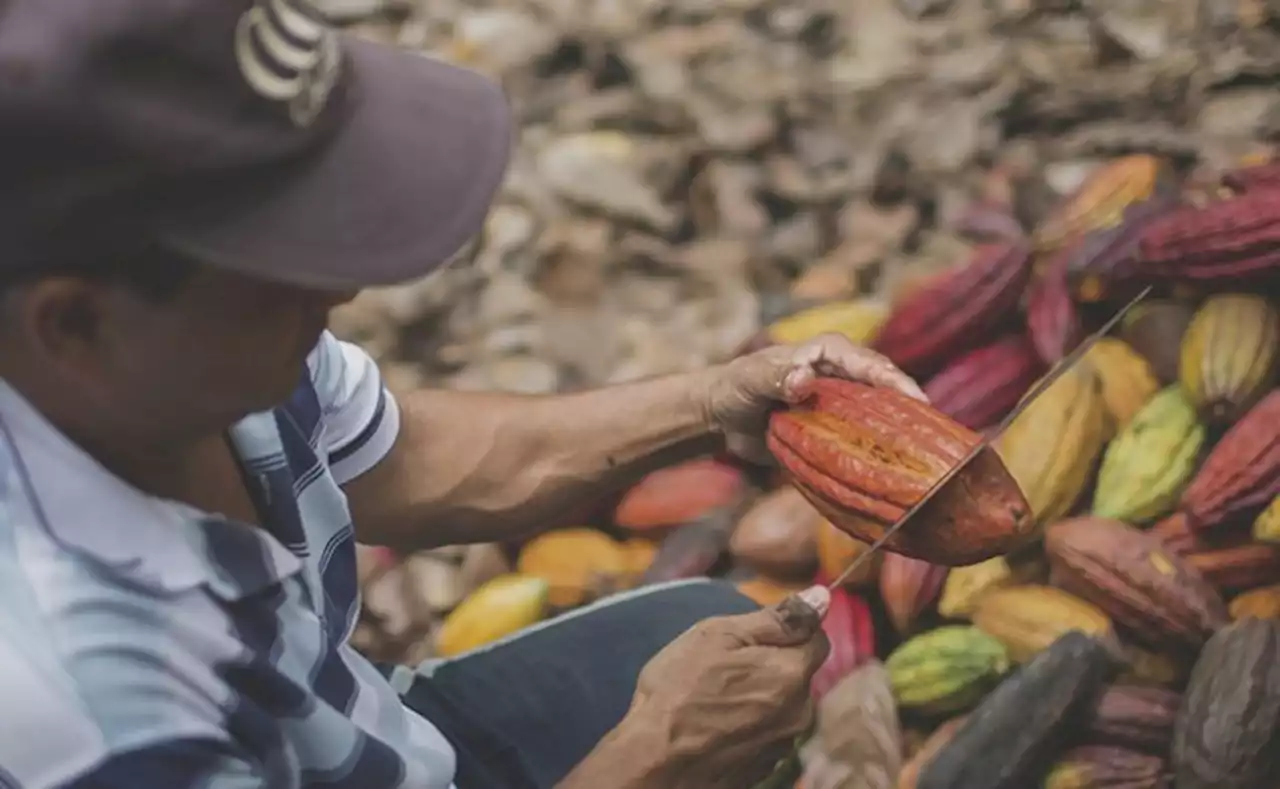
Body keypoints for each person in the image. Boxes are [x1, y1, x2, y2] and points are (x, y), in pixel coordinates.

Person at [0, 1, 926, 787]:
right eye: (283, 269)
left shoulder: (179, 362)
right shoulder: (80, 700)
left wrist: (715, 401)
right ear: (75, 326)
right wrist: (649, 760)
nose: (342, 292)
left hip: (367, 746)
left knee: (712, 633)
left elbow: (408, 458)